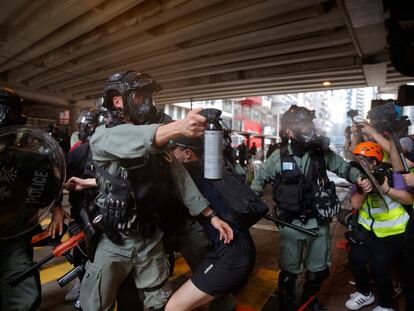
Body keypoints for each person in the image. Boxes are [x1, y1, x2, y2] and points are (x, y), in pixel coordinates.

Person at [79, 70, 233, 311]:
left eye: (149, 96)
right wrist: (180, 126)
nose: (148, 103)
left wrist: (210, 216)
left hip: (150, 239)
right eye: (140, 97)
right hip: (114, 240)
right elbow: (135, 139)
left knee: (159, 303)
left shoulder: (155, 141)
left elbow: (179, 178)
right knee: (96, 305)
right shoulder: (104, 137)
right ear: (118, 101)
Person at [250, 105, 372, 311]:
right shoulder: (279, 156)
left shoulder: (322, 153)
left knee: (318, 271)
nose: (308, 129)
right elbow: (258, 181)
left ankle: (309, 303)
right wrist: (250, 205)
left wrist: (360, 178)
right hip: (290, 223)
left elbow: (344, 169)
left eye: (309, 124)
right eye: (302, 126)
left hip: (319, 223)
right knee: (289, 272)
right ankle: (286, 304)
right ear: (289, 131)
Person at [165, 136, 256, 311]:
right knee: (202, 304)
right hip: (237, 248)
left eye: (173, 152)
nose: (170, 156)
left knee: (174, 307)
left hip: (231, 257)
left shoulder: (189, 174)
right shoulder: (213, 170)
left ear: (187, 154)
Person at [0, 87, 65, 311]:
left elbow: (45, 183)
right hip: (15, 231)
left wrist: (56, 208)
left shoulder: (28, 158)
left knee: (22, 292)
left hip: (15, 234)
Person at [345, 142, 413, 311]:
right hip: (368, 230)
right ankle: (365, 293)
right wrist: (366, 188)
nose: (359, 163)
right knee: (356, 259)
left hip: (394, 231)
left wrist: (387, 189)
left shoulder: (393, 174)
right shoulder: (360, 177)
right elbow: (355, 204)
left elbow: (410, 200)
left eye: (363, 160)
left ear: (374, 161)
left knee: (379, 265)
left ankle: (386, 304)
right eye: (357, 160)